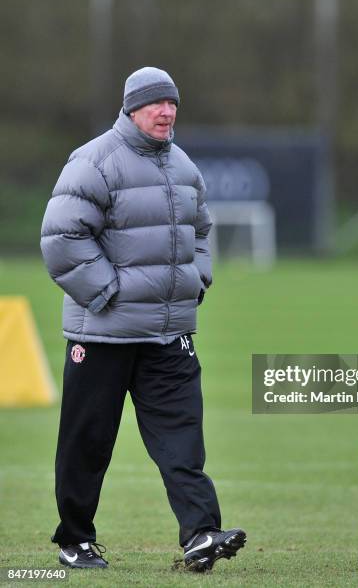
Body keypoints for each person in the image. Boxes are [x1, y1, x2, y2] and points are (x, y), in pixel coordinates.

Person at [40, 67, 246, 573]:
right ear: (132, 109)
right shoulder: (94, 161)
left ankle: (200, 534)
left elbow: (201, 229)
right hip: (103, 332)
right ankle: (75, 540)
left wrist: (197, 278)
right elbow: (61, 239)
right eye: (156, 104)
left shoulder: (183, 166)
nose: (166, 112)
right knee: (87, 442)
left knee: (182, 439)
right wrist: (107, 293)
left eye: (172, 104)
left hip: (168, 334)